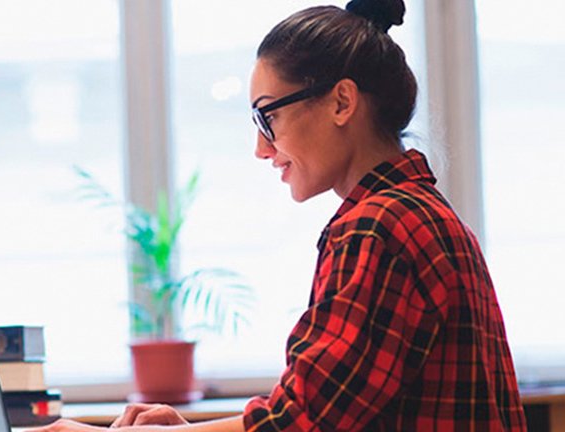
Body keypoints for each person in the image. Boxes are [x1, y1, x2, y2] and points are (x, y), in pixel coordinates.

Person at [31, 0, 527, 430]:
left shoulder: (378, 228)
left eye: (268, 116)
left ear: (341, 101)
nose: (261, 148)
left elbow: (300, 423)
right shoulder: (417, 212)